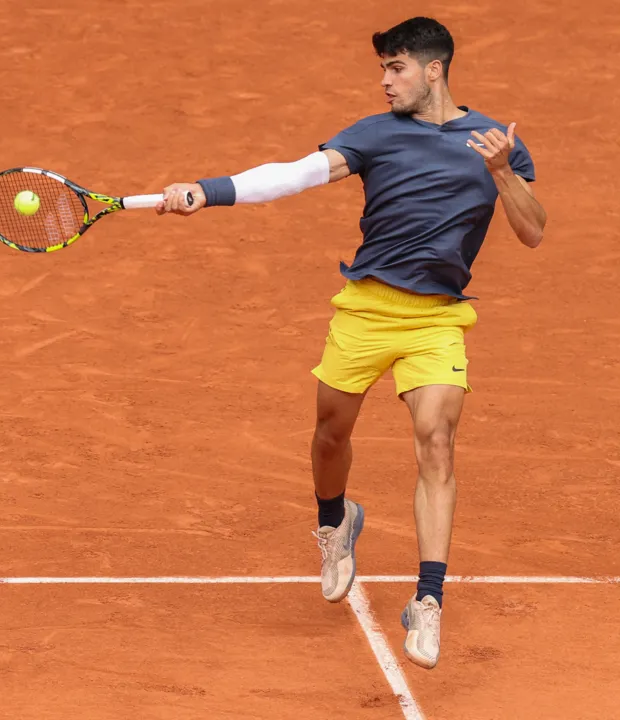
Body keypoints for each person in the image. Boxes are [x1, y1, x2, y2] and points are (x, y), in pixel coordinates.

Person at [155, 16, 547, 669]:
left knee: (436, 441)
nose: (385, 81)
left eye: (395, 68)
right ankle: (335, 524)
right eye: (382, 70)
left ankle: (427, 600)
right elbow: (293, 175)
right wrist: (208, 191)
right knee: (330, 434)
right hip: (364, 309)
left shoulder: (496, 142)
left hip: (436, 320)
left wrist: (504, 172)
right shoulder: (372, 134)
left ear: (433, 69)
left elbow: (533, 231)